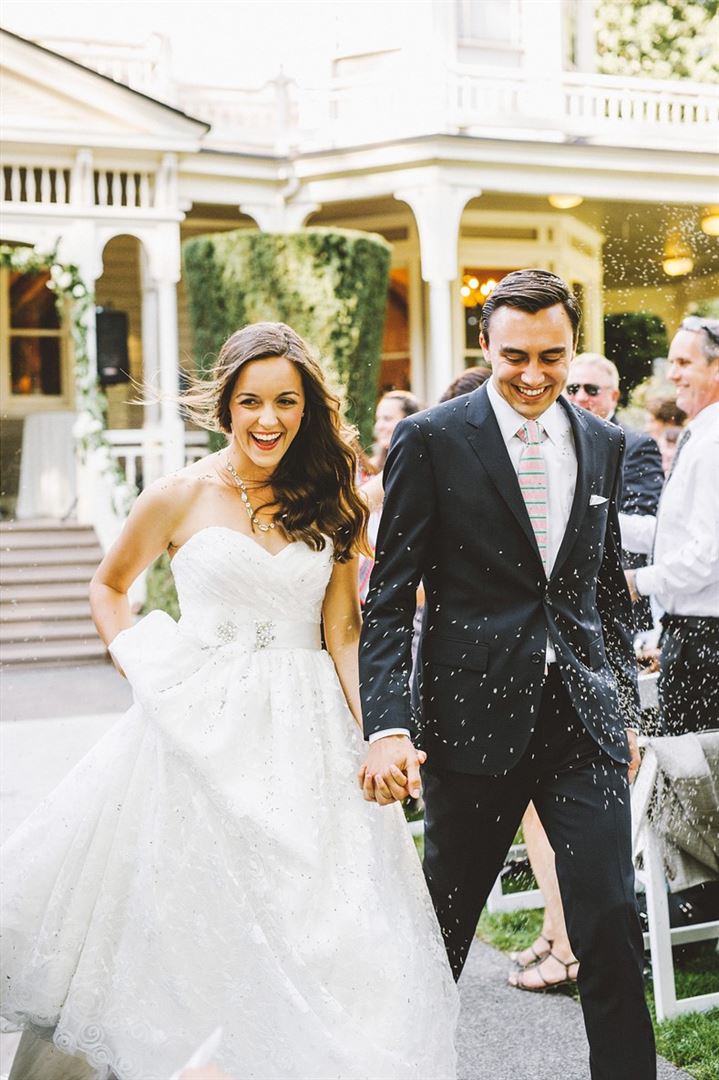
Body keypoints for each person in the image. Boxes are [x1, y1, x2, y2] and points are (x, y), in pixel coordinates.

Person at [1, 323, 458, 1080]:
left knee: (320, 915)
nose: (268, 419)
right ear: (226, 406)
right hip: (194, 724)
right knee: (180, 910)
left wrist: (379, 731)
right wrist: (138, 661)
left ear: (307, 407)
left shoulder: (333, 497)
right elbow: (109, 586)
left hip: (308, 730)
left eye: (286, 401)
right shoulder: (177, 495)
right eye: (251, 402)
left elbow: (343, 631)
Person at [359, 270, 656, 1080]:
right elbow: (388, 599)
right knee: (440, 937)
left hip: (582, 723)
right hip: (468, 726)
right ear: (484, 346)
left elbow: (603, 591)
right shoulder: (428, 438)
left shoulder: (603, 442)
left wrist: (624, 708)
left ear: (572, 346)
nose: (532, 374)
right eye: (514, 356)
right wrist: (387, 726)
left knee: (609, 923)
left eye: (551, 356)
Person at [504, 352, 665, 992]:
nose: (579, 395)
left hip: (598, 647)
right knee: (532, 807)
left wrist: (576, 518)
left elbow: (643, 536)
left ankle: (576, 944)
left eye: (590, 387)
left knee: (585, 821)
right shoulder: (534, 442)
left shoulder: (627, 445)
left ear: (615, 393)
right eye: (575, 387)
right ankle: (556, 929)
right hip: (529, 660)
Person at [623, 315, 719, 735]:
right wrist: (598, 521)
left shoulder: (713, 444)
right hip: (694, 637)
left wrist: (638, 581)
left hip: (706, 642)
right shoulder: (703, 436)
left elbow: (709, 553)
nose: (672, 375)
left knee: (695, 769)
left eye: (684, 363)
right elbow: (674, 533)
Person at [360, 389, 422, 603]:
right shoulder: (368, 471)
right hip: (367, 587)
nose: (379, 426)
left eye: (387, 419)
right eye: (378, 419)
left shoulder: (420, 471)